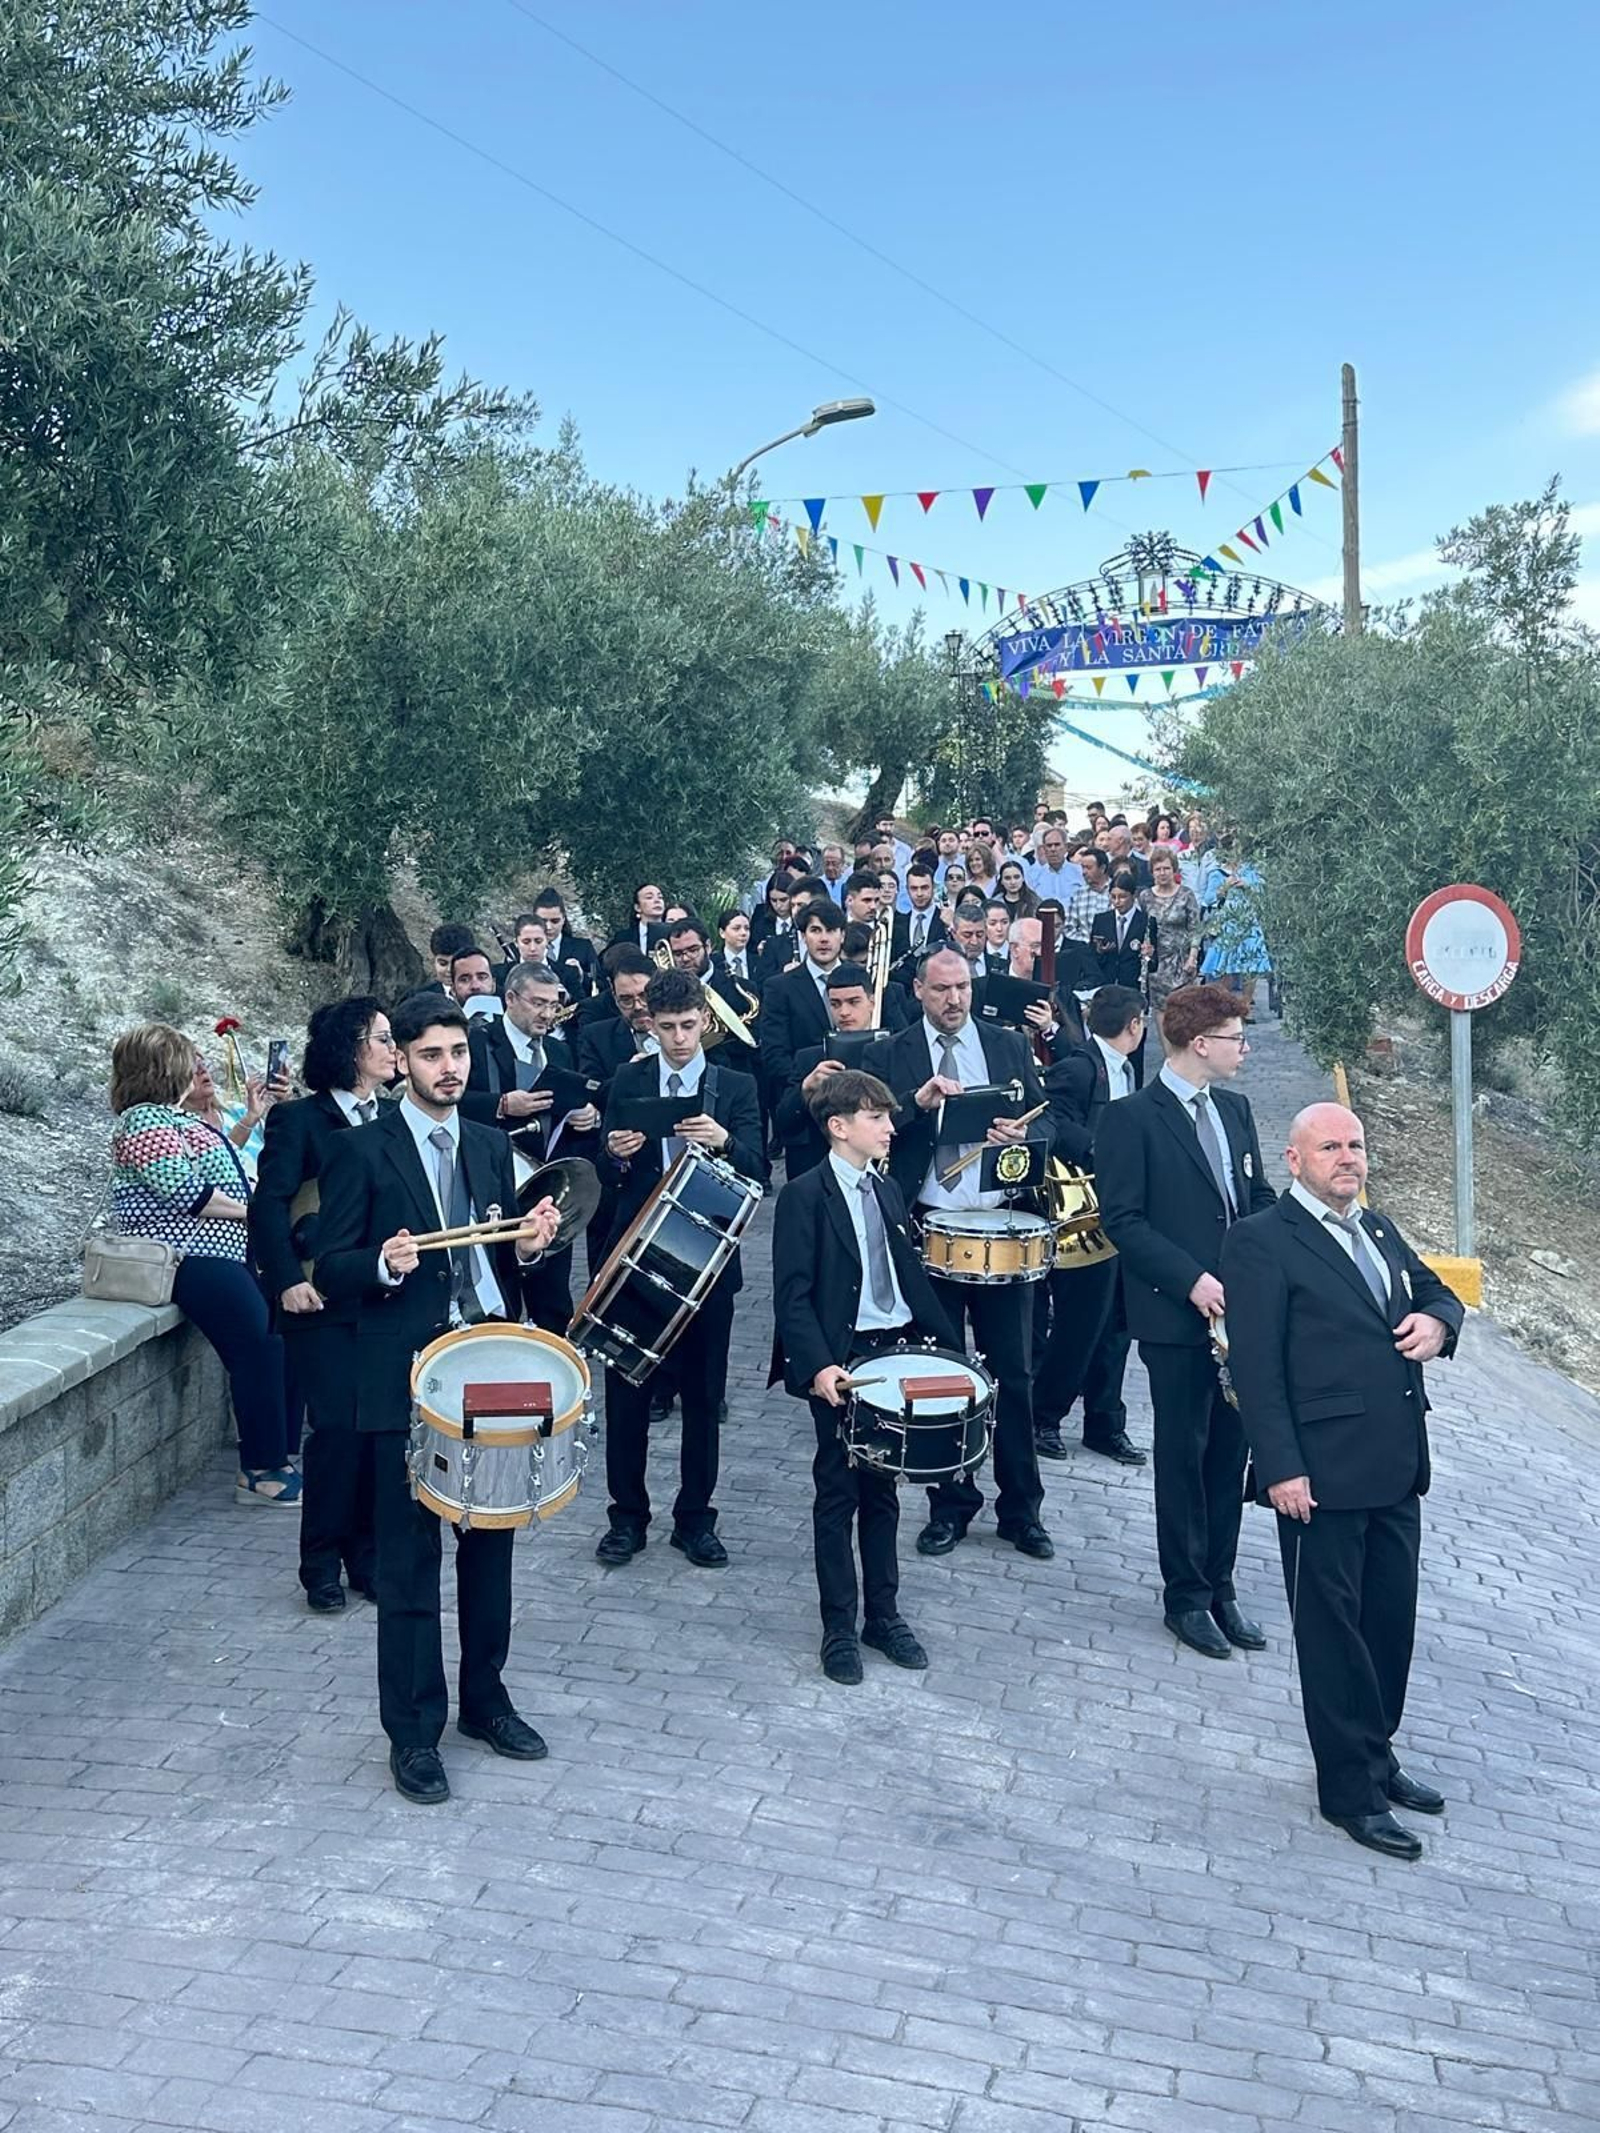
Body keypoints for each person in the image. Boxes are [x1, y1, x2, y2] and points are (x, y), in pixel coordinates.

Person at [313, 997, 561, 1805]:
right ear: (402, 1064)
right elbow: (328, 1270)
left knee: (492, 1545)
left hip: (489, 1361)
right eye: (429, 1054)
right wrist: (381, 1265)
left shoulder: (493, 1147)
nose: (448, 1066)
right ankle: (414, 1732)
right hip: (405, 1377)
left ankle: (485, 1701)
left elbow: (506, 1262)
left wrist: (530, 1245)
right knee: (410, 1560)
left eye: (458, 1051)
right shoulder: (360, 1150)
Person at [1222, 1104, 1463, 1861]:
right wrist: (1281, 1467)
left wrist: (1440, 1326)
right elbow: (1254, 1368)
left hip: (1395, 1466)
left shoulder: (1380, 1228)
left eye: (1356, 1144)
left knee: (1390, 1626)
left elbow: (1438, 1295)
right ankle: (1348, 1792)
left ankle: (1378, 1753)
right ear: (1294, 1160)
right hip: (1318, 1477)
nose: (1348, 1157)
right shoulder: (1261, 1241)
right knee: (1332, 1637)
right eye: (1330, 1146)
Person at [1094, 983, 1277, 1660]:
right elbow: (1124, 1221)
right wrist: (1192, 1279)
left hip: (1242, 1314)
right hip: (1176, 1316)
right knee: (1183, 1453)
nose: (1244, 1048)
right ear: (1201, 1043)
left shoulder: (1235, 1109)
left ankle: (1221, 1583)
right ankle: (1186, 1595)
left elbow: (1255, 1198)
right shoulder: (1131, 1118)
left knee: (1230, 1454)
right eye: (1235, 1037)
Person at [772, 1069, 964, 1683]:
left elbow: (905, 1274)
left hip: (895, 1348)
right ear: (839, 1127)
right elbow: (793, 1295)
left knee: (884, 1488)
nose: (889, 1125)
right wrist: (819, 1366)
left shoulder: (883, 1187)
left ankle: (884, 1614)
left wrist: (945, 1350)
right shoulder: (804, 1195)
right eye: (877, 1117)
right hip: (842, 1358)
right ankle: (838, 1629)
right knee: (838, 1491)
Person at [880, 948, 1054, 1561]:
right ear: (918, 991)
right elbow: (867, 1126)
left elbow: (1045, 1120)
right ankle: (950, 1504)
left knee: (1015, 1371)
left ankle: (1021, 1509)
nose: (955, 1000)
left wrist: (1024, 1134)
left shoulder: (1006, 1046)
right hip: (930, 1225)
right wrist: (916, 1106)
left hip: (999, 1224)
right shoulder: (893, 1051)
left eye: (963, 987)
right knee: (944, 1376)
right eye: (942, 990)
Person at [595, 968, 767, 1569]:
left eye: (688, 1026)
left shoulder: (734, 1085)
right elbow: (605, 1172)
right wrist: (613, 1155)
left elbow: (759, 1174)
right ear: (650, 1024)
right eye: (666, 1028)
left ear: (705, 1020)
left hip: (709, 1259)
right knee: (626, 1394)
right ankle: (627, 1516)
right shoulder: (629, 1077)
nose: (678, 1039)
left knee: (702, 1396)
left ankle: (696, 1518)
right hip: (639, 1254)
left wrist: (724, 1140)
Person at [109, 1024, 298, 1506]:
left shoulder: (175, 1120)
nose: (199, 1066)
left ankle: (277, 1455)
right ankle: (261, 1471)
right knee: (257, 1344)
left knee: (275, 1337)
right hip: (188, 1258)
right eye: (187, 1059)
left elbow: (219, 1165)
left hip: (220, 1255)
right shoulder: (143, 1120)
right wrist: (258, 1213)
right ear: (160, 1068)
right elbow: (187, 1192)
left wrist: (250, 1121)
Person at [250, 996, 392, 1605]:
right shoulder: (300, 1120)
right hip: (314, 1296)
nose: (393, 1048)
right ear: (351, 1049)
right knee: (334, 1432)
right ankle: (320, 1565)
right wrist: (285, 1279)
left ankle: (366, 1555)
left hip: (377, 1295)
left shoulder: (392, 1117)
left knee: (375, 1433)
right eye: (382, 1038)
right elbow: (268, 1204)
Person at [1032, 984, 1147, 1467]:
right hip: (1082, 1219)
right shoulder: (1080, 1067)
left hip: (1119, 1214)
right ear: (1135, 1025)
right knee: (1080, 1325)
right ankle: (1044, 1417)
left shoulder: (1123, 1069)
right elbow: (1051, 1122)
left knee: (1118, 1327)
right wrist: (1100, 1153)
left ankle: (1105, 1423)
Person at [460, 960, 598, 1333]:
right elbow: (450, 1101)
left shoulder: (559, 1051)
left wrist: (586, 1117)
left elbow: (568, 1110)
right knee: (497, 1293)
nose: (548, 1014)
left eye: (554, 1005)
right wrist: (501, 1104)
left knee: (552, 1297)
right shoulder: (475, 1042)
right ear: (510, 998)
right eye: (538, 1003)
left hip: (547, 1191)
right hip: (489, 1187)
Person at [771, 962, 882, 1176]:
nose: (844, 1012)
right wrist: (805, 1089)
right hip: (821, 1170)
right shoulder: (809, 1058)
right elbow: (784, 1123)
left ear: (871, 1002)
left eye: (853, 1002)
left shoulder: (893, 1051)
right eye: (836, 1004)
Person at [758, 898, 846, 1093]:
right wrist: (808, 1083)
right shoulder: (779, 988)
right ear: (803, 937)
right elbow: (774, 1055)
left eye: (831, 930)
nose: (824, 939)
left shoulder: (864, 980)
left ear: (842, 936)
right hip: (806, 1097)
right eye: (815, 930)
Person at [1200, 854, 1272, 1019]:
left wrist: (1248, 885)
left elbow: (1264, 890)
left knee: (1251, 964)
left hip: (1248, 921)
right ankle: (1228, 1005)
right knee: (1226, 964)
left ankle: (1246, 1005)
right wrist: (1224, 887)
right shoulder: (1217, 873)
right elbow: (1208, 899)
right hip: (1228, 923)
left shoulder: (1250, 869)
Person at [1140, 847, 1202, 1026]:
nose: (1162, 873)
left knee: (1185, 1011)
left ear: (1174, 869)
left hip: (1182, 963)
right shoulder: (1145, 897)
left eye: (1166, 868)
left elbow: (1195, 929)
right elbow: (1142, 929)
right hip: (1158, 964)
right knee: (1161, 1010)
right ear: (1152, 872)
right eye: (1158, 869)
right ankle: (1168, 1053)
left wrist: (1192, 958)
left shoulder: (1186, 894)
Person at [531, 887, 599, 1000]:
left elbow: (601, 985)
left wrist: (582, 975)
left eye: (555, 921)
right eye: (542, 921)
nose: (548, 927)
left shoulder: (583, 947)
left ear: (563, 919)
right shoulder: (523, 950)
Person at [1063, 849, 1114, 942]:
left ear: (1102, 868)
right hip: (1084, 950)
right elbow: (1068, 928)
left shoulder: (1117, 891)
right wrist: (1088, 941)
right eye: (1082, 867)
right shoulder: (1078, 895)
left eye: (1089, 868)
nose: (1084, 872)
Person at [1026, 826, 1085, 905]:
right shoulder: (1033, 875)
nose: (1053, 849)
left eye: (1057, 845)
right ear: (1044, 849)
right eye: (1049, 845)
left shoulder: (1080, 872)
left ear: (1066, 847)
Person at [609, 882, 669, 955]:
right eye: (649, 897)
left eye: (660, 897)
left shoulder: (672, 933)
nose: (657, 901)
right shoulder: (623, 938)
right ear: (638, 907)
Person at [428, 923, 477, 993]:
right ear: (433, 960)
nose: (449, 970)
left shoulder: (489, 994)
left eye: (456, 963)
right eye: (443, 963)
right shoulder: (418, 999)